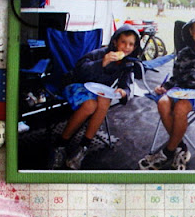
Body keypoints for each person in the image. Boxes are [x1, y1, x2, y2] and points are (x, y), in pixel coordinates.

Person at [49, 25, 141, 170]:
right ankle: (60, 145)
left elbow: (127, 85)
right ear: (115, 42)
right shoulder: (100, 53)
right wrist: (102, 63)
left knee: (105, 100)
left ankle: (83, 147)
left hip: (97, 92)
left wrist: (123, 92)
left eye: (131, 44)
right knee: (90, 105)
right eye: (123, 42)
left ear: (135, 47)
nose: (126, 47)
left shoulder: (127, 63)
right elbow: (79, 71)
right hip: (76, 84)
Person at [139, 14, 195, 170]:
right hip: (181, 89)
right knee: (163, 102)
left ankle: (168, 151)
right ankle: (180, 147)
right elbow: (175, 77)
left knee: (181, 108)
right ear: (190, 31)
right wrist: (164, 87)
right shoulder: (183, 53)